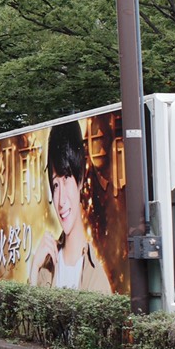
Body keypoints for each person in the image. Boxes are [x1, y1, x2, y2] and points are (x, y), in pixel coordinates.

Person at [28, 121, 112, 294]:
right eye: (56, 185)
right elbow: (26, 320)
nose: (61, 201)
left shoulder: (95, 276)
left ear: (80, 180)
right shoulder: (45, 267)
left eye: (66, 179)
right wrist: (34, 268)